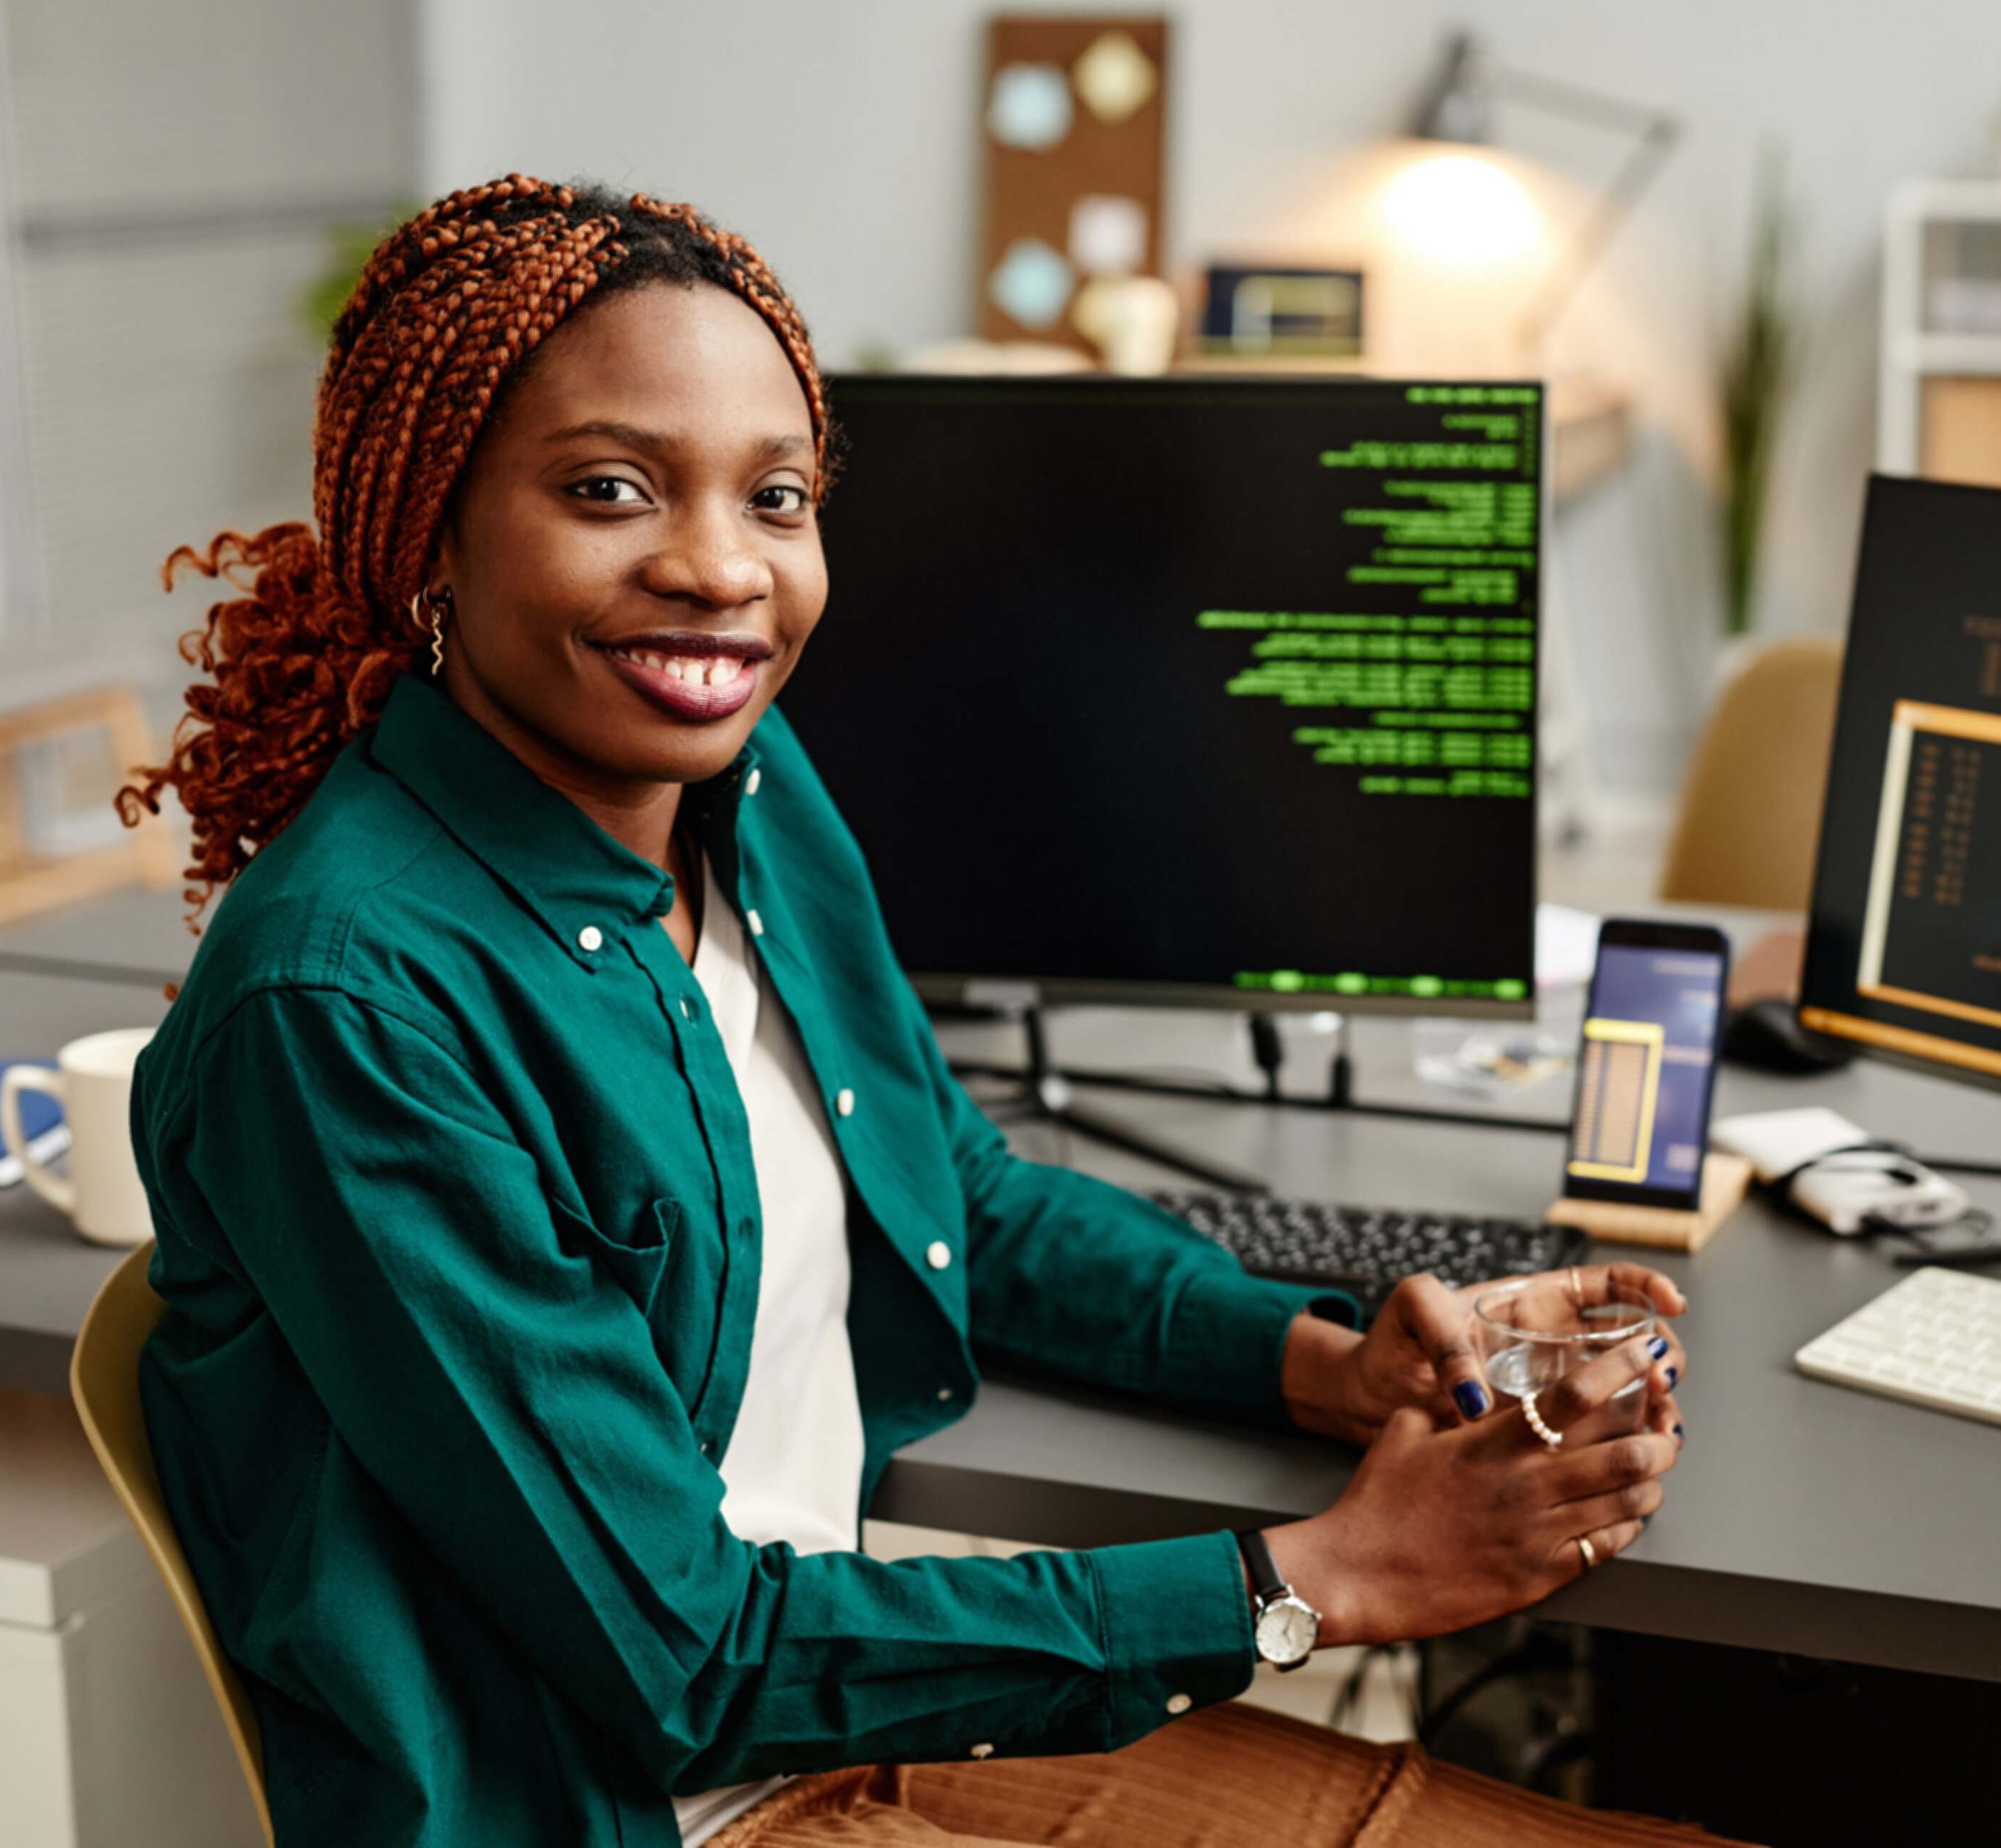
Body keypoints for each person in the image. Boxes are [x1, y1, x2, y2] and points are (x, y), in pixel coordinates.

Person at [118, 176, 1699, 1848]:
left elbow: (956, 1198)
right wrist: (1315, 1578)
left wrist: (1319, 1363)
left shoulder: (741, 788)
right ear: (426, 529)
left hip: (841, 1707)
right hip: (661, 1803)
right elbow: (691, 1658)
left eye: (777, 497)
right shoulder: (347, 1005)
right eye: (609, 488)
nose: (721, 569)